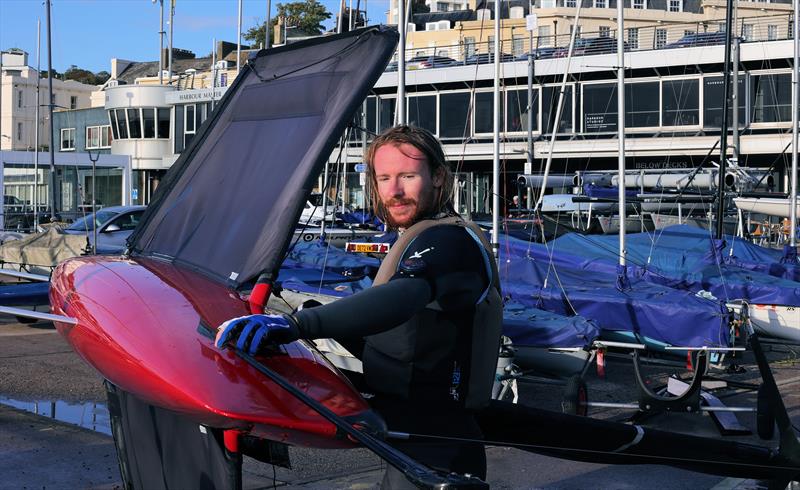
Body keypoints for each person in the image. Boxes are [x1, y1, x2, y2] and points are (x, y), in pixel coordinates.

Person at [215, 125, 503, 487]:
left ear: (439, 177)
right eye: (384, 178)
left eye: (408, 176)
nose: (394, 191)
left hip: (439, 454)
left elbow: (407, 294)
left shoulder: (450, 242)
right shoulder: (427, 234)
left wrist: (299, 325)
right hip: (412, 443)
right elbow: (412, 341)